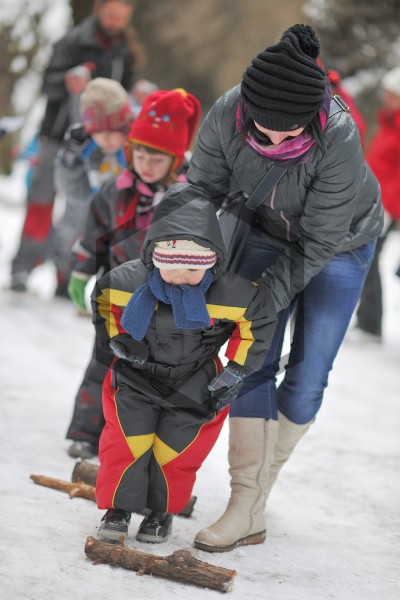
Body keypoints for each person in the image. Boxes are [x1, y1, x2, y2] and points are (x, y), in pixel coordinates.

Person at [185, 24, 383, 552]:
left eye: (288, 134)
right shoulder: (227, 112)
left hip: (340, 244)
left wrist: (263, 300)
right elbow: (200, 191)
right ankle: (245, 505)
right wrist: (177, 255)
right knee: (251, 357)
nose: (274, 142)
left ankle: (258, 491)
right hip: (266, 232)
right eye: (263, 132)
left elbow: (317, 241)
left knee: (309, 373)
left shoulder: (339, 134)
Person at [90, 182, 278, 543]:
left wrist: (237, 369)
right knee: (127, 443)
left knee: (176, 451)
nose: (181, 278)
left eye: (193, 270)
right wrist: (117, 339)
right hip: (136, 376)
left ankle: (160, 513)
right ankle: (118, 510)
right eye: (171, 267)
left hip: (196, 381)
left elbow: (258, 321)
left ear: (213, 261)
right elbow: (102, 301)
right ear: (154, 258)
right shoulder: (128, 281)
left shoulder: (231, 292)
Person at [65, 88, 202, 459]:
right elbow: (95, 233)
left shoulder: (190, 197)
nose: (146, 163)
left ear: (175, 158)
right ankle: (85, 431)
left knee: (147, 374)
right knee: (103, 362)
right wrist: (82, 270)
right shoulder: (117, 190)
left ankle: (136, 442)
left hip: (165, 301)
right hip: (117, 296)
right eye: (139, 154)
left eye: (156, 157)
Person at [10, 0, 140, 294]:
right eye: (111, 15)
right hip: (58, 137)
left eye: (122, 18)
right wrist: (68, 81)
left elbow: (125, 95)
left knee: (82, 210)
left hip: (99, 143)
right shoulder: (72, 42)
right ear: (98, 8)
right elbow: (48, 83)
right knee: (41, 200)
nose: (116, 23)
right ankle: (24, 266)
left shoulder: (124, 52)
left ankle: (65, 273)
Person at [53, 77, 133, 295]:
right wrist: (69, 161)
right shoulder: (90, 148)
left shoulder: (137, 145)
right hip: (103, 224)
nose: (105, 138)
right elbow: (74, 193)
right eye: (97, 131)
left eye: (113, 130)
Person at [348, 67, 400, 342]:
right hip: (371, 200)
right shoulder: (388, 122)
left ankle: (370, 323)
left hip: (385, 207)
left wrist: (388, 206)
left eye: (391, 95)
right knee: (366, 257)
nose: (385, 98)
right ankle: (367, 321)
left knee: (367, 258)